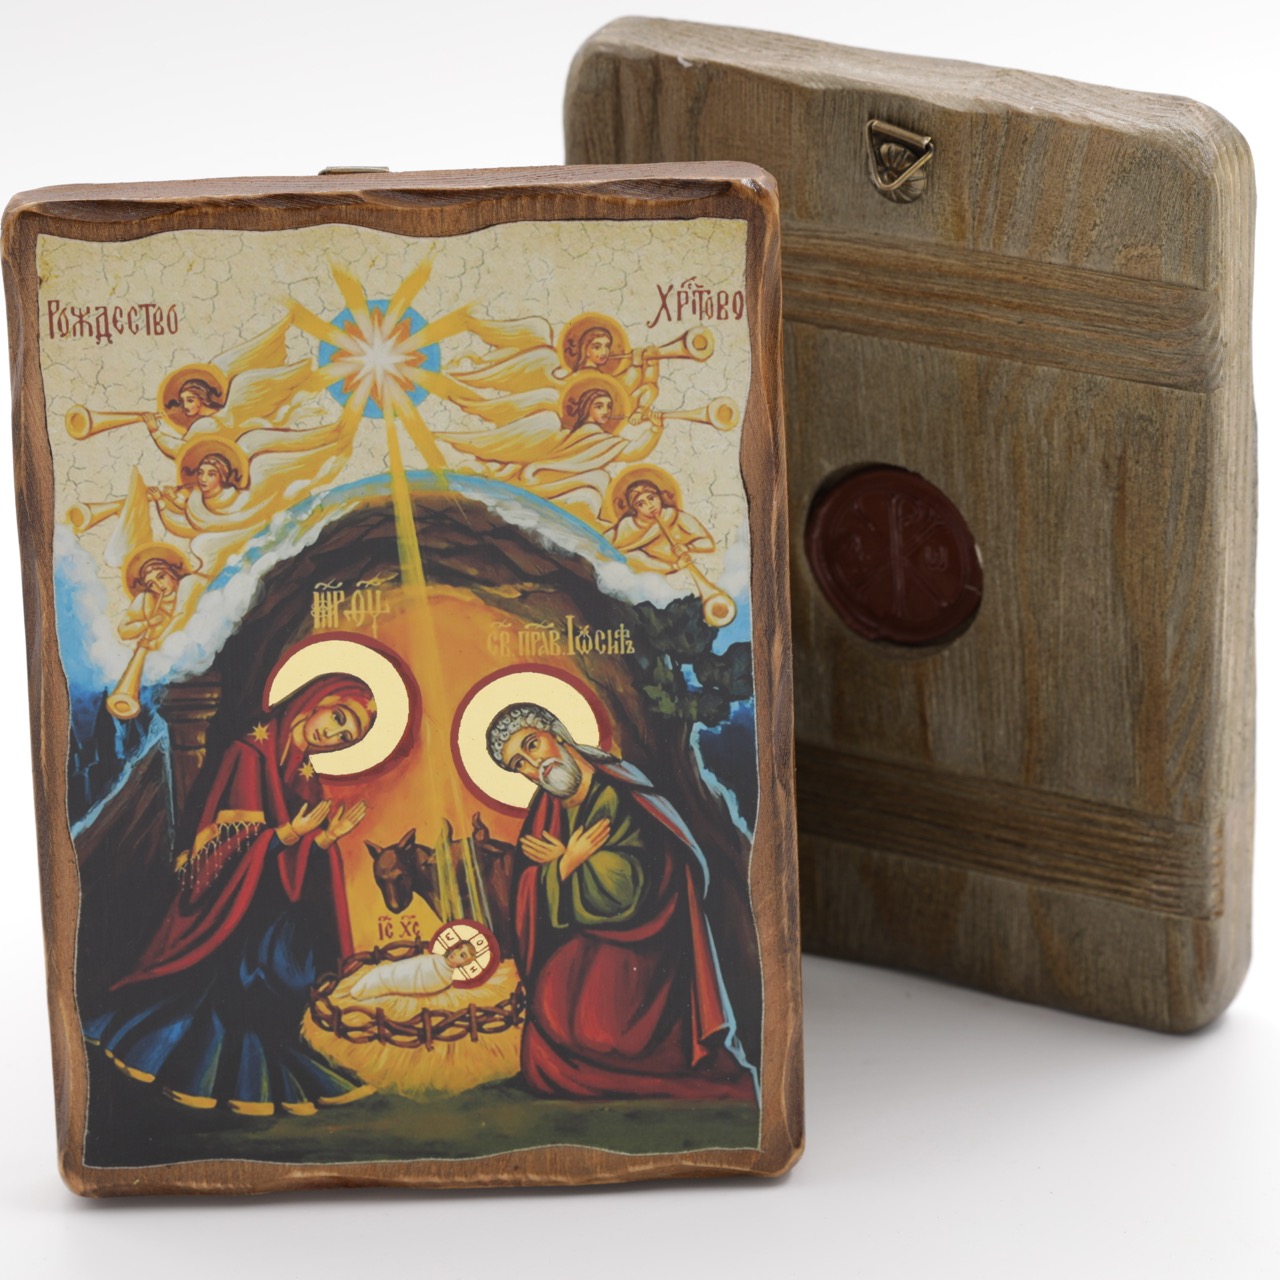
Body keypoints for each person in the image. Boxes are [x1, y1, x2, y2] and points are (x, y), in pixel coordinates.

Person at [84, 674, 376, 1116]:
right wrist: (289, 833)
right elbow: (228, 849)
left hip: (264, 902)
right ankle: (214, 1069)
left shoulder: (305, 777)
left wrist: (322, 840)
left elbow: (287, 868)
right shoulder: (249, 752)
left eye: (345, 738)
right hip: (228, 906)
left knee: (294, 957)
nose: (332, 736)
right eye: (338, 719)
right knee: (251, 978)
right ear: (319, 699)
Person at [487, 701, 757, 1101]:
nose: (533, 765)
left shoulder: (619, 789)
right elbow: (531, 891)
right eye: (519, 765)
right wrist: (566, 864)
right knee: (553, 1016)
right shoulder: (546, 808)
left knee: (594, 1026)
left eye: (532, 745)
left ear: (556, 732)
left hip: (649, 939)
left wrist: (571, 864)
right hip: (587, 933)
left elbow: (630, 885)